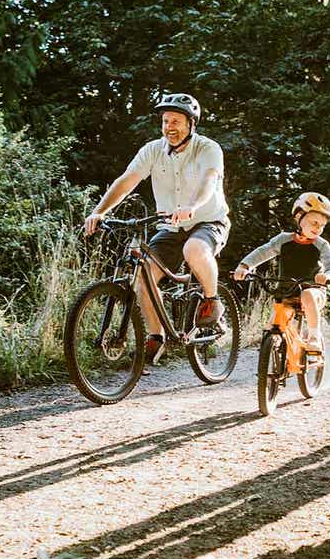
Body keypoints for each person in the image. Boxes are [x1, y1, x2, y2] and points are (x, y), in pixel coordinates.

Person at [83, 92, 231, 363]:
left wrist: (192, 207)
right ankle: (156, 336)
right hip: (171, 226)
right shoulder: (152, 150)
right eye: (165, 121)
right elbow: (127, 180)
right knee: (142, 278)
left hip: (208, 220)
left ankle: (212, 301)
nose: (169, 127)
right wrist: (100, 211)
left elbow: (209, 180)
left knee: (195, 249)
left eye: (176, 121)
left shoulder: (208, 148)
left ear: (191, 124)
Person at [232, 192, 330, 351]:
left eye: (322, 225)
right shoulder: (284, 240)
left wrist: (327, 277)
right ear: (298, 218)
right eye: (314, 222)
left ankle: (314, 336)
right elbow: (263, 251)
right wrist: (245, 266)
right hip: (287, 291)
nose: (318, 228)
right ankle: (271, 365)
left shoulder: (321, 244)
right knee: (273, 325)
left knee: (308, 294)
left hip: (314, 292)